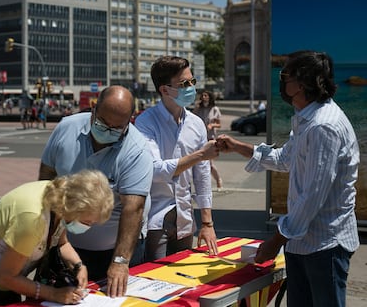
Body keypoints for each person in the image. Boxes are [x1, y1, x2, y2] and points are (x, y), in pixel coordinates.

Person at [216, 50, 359, 307]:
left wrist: (276, 241)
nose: (281, 82)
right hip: (303, 243)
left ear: (302, 83)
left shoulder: (322, 126)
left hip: (325, 245)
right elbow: (284, 159)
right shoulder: (307, 119)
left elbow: (312, 196)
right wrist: (239, 147)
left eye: (284, 76)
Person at [38, 85, 153, 297]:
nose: (107, 130)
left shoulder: (137, 151)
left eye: (116, 128)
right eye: (102, 123)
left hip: (114, 251)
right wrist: (46, 235)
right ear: (93, 110)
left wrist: (120, 261)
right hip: (65, 246)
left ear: (129, 121)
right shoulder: (66, 128)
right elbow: (47, 175)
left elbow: (133, 208)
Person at [0, 170, 114, 307]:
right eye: (86, 222)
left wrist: (79, 266)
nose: (88, 227)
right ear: (71, 207)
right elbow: (7, 277)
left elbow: (61, 242)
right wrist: (54, 294)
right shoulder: (33, 219)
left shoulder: (62, 199)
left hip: (5, 269)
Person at [135, 56, 219, 262]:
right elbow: (155, 170)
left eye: (192, 82)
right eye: (184, 84)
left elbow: (202, 176)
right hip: (156, 219)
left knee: (184, 276)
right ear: (164, 90)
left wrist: (207, 224)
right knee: (155, 280)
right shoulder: (146, 122)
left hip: (185, 218)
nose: (191, 88)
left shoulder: (196, 123)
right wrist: (200, 155)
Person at [193, 90, 223, 190]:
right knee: (198, 162)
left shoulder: (214, 109)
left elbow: (219, 124)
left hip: (210, 138)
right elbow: (192, 119)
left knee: (209, 163)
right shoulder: (198, 108)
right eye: (202, 95)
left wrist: (212, 125)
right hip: (199, 138)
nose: (204, 97)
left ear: (210, 97)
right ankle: (203, 185)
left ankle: (218, 180)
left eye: (206, 95)